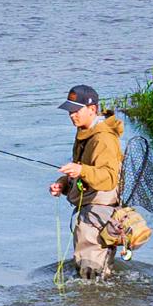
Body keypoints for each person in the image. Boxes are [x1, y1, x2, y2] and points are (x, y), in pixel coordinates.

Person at [52, 84, 128, 278]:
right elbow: (84, 171)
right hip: (90, 212)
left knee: (90, 275)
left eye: (76, 110)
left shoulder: (103, 139)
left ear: (92, 109)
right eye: (69, 111)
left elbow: (109, 178)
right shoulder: (86, 132)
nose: (72, 115)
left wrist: (81, 170)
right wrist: (63, 184)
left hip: (99, 215)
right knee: (93, 274)